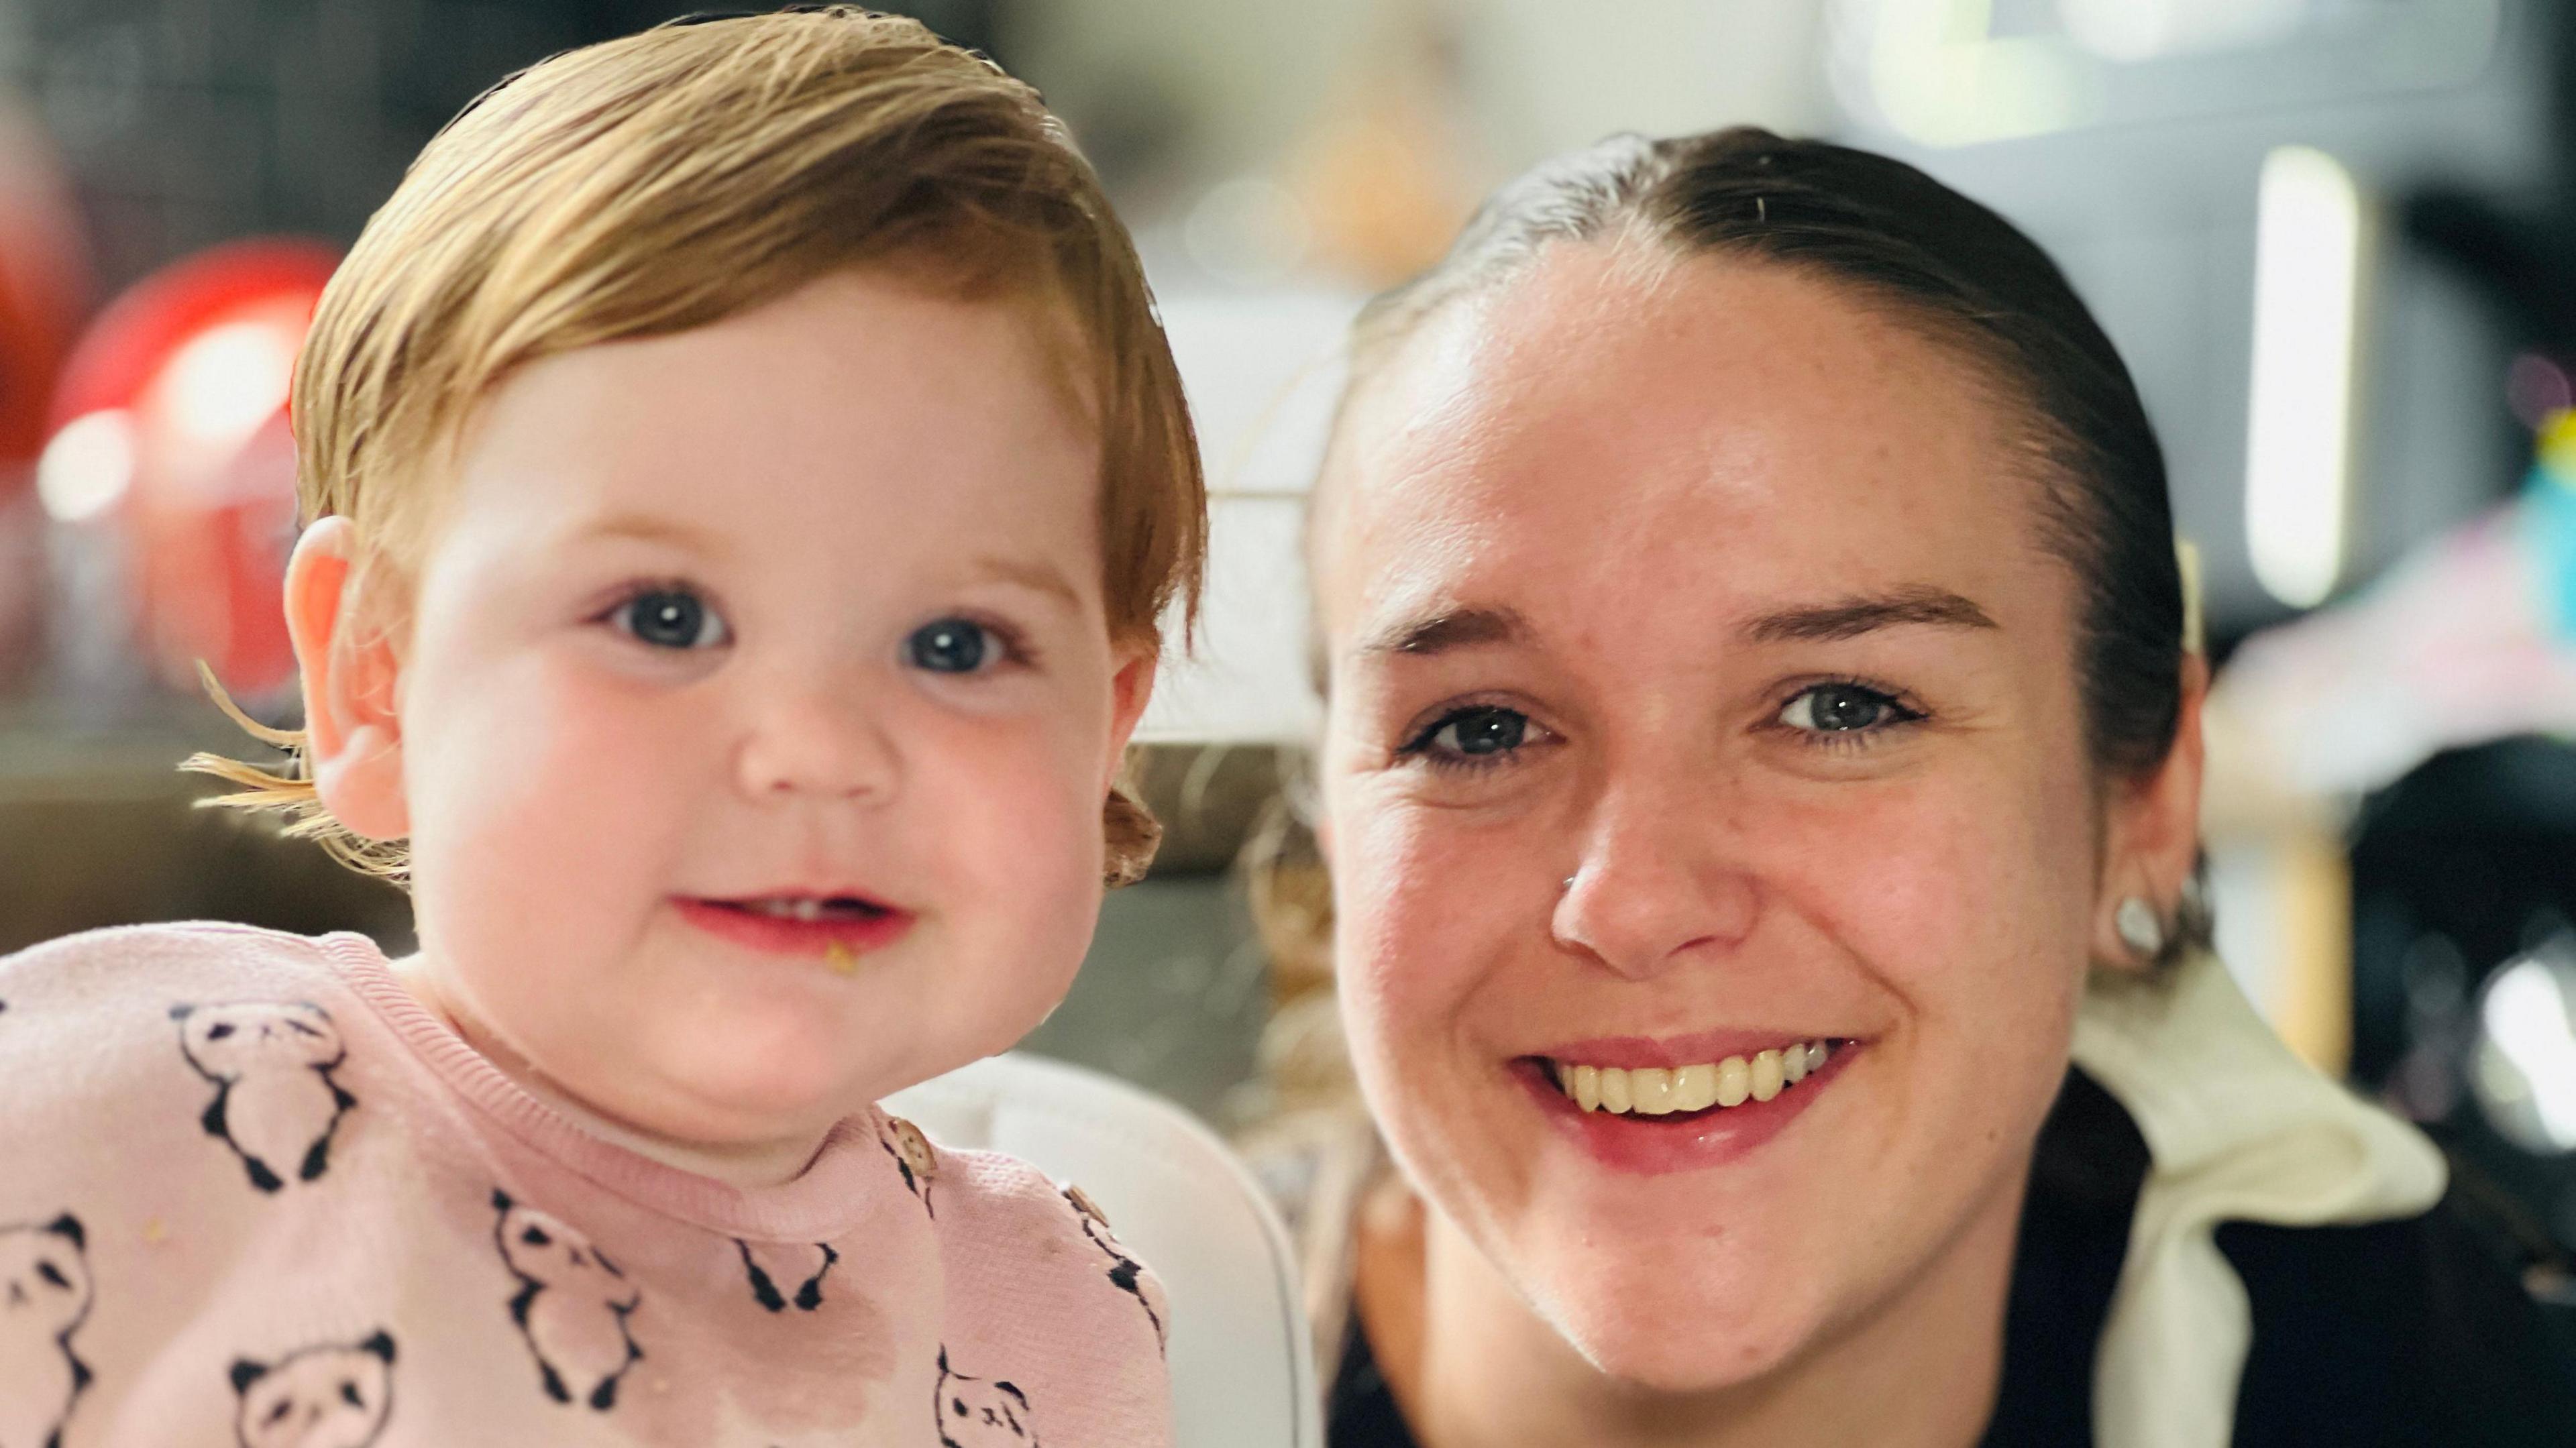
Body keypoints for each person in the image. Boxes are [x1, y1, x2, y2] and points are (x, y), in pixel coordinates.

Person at [1245, 127, 2576, 1448]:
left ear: (2149, 801)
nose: (1638, 903)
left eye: (1842, 708)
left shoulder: (2444, 1388)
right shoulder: (1083, 1372)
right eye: (1479, 729)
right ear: (1330, 820)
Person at [0, 11, 1197, 1444]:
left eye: (956, 646)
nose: (815, 747)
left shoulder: (1057, 1312)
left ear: (1102, 734)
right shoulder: (116, 1111)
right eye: (665, 619)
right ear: (376, 677)